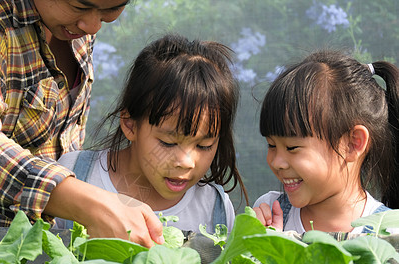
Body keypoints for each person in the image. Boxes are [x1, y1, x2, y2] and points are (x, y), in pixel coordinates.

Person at [0, 0, 165, 248]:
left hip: (41, 249)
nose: (93, 26)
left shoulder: (74, 28)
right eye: (79, 6)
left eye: (111, 9)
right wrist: (88, 203)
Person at [56, 34, 249, 235]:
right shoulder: (74, 176)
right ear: (130, 124)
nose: (186, 162)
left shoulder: (214, 209)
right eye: (168, 142)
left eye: (204, 146)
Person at [253, 49, 399, 234]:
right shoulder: (268, 213)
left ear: (353, 143)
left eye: (292, 147)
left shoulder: (390, 233)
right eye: (271, 145)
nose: (276, 162)